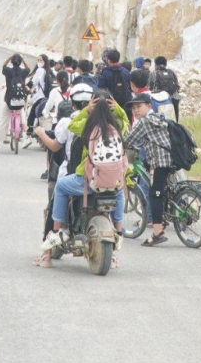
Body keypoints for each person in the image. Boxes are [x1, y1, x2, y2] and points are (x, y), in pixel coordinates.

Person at [36, 91, 129, 268]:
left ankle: (56, 231)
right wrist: (117, 108)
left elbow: (72, 126)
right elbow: (127, 122)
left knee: (61, 186)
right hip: (113, 181)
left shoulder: (87, 126)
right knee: (119, 191)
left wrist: (86, 110)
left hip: (89, 182)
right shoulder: (118, 126)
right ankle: (119, 230)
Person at [125, 92, 175, 245]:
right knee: (162, 190)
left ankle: (157, 233)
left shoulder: (144, 121)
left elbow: (129, 139)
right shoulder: (158, 117)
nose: (135, 111)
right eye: (133, 108)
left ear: (148, 106)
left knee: (155, 194)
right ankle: (165, 215)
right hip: (172, 158)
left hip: (161, 161)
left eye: (139, 106)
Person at [0, 53, 29, 152]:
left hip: (9, 99)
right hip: (20, 100)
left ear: (12, 62)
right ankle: (23, 124)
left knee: (3, 119)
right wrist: (23, 60)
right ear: (20, 62)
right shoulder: (23, 72)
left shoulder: (8, 71)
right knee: (21, 109)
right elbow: (28, 68)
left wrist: (8, 58)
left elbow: (3, 66)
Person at [154, 56, 181, 120]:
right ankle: (176, 123)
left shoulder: (155, 73)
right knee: (175, 113)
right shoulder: (171, 72)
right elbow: (176, 84)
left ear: (156, 65)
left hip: (161, 99)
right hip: (174, 97)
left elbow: (151, 87)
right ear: (165, 64)